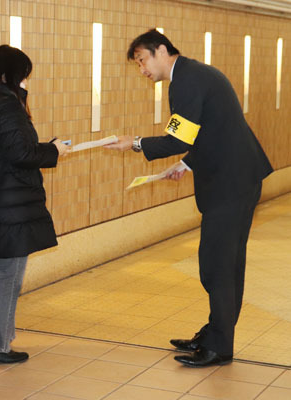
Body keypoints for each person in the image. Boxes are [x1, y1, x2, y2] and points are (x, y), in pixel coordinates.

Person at [105, 29, 273, 367]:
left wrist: (134, 142)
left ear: (162, 50)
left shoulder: (186, 81)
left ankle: (219, 347)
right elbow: (208, 130)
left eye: (142, 60)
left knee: (218, 265)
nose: (142, 70)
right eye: (138, 64)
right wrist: (186, 162)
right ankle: (214, 334)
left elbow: (177, 138)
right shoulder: (194, 74)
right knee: (222, 263)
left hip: (232, 182)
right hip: (237, 177)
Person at [0, 44, 70, 364]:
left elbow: (8, 148)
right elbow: (19, 155)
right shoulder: (5, 106)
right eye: (24, 77)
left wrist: (42, 148)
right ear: (11, 76)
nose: (27, 83)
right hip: (9, 204)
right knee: (7, 274)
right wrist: (54, 152)